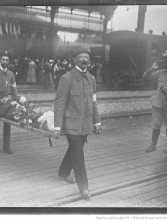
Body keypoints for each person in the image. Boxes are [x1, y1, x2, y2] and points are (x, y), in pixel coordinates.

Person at [54, 48, 101, 200]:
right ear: (75, 60)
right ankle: (84, 188)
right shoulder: (66, 78)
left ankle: (63, 172)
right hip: (71, 124)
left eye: (86, 57)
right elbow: (59, 103)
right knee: (79, 156)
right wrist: (57, 126)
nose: (84, 59)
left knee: (76, 149)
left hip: (85, 124)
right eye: (81, 57)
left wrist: (97, 121)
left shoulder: (91, 78)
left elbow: (94, 102)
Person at [143, 50, 167, 155]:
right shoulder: (160, 72)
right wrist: (152, 68)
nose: (165, 63)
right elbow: (145, 77)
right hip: (158, 104)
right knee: (156, 124)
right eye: (164, 61)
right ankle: (153, 145)